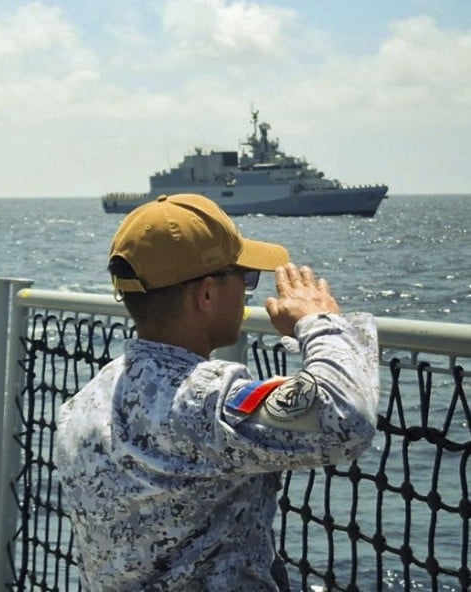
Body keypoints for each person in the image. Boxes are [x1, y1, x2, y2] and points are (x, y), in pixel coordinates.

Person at [54, 193, 381, 591]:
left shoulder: (83, 402)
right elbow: (346, 420)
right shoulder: (205, 401)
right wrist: (320, 323)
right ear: (206, 294)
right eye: (245, 278)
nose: (247, 291)